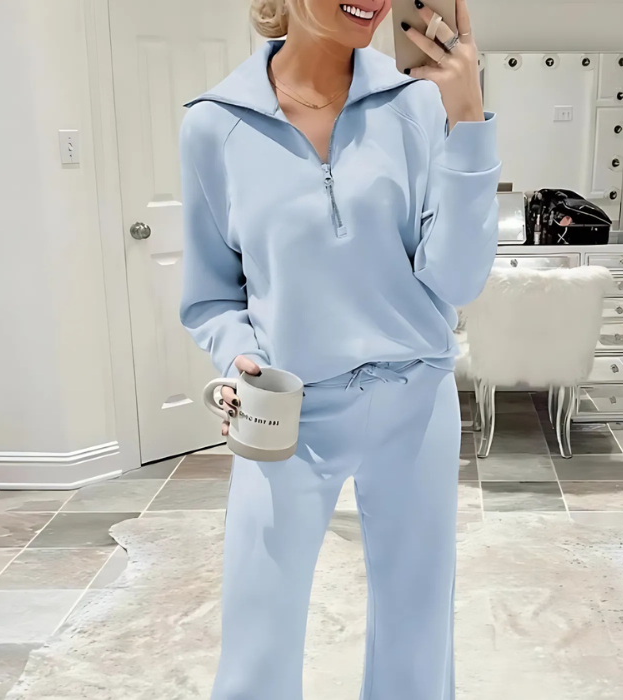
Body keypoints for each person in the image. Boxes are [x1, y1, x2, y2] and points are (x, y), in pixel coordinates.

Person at [178, 0, 500, 696]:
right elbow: (210, 295)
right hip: (287, 412)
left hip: (416, 400)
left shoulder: (415, 106)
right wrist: (236, 353)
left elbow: (458, 279)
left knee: (417, 630)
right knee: (258, 641)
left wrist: (469, 119)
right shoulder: (214, 124)